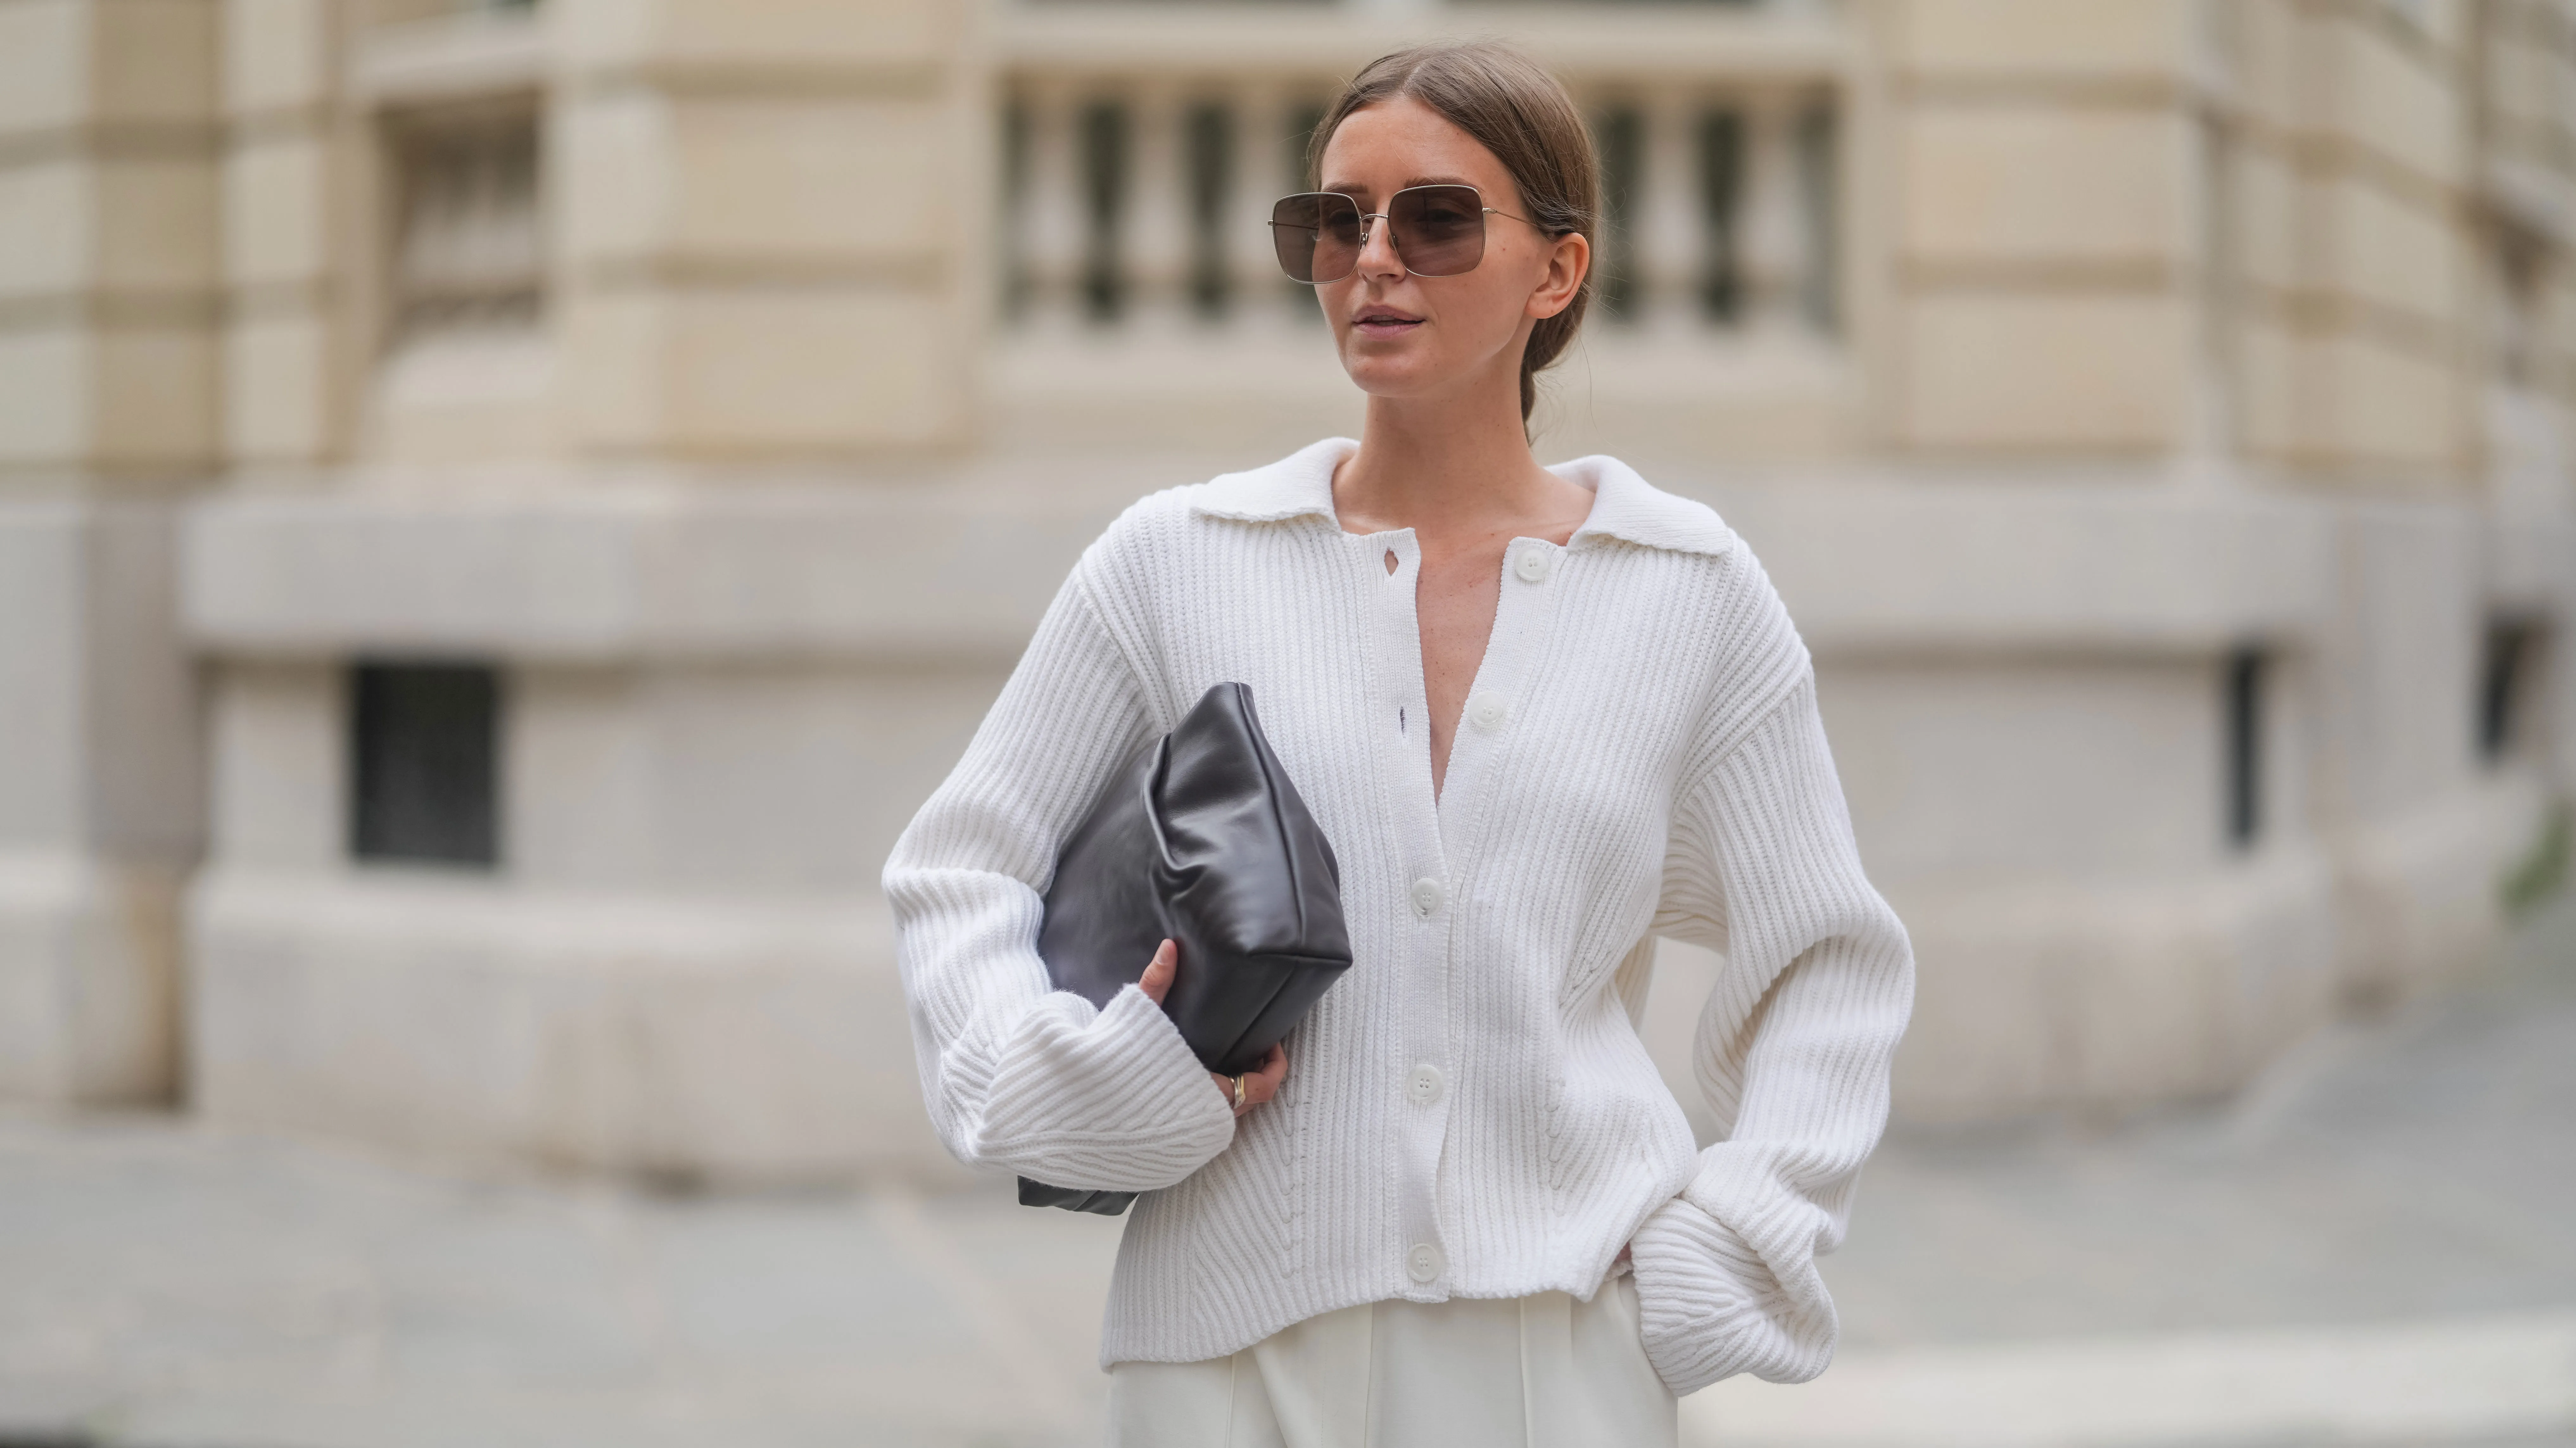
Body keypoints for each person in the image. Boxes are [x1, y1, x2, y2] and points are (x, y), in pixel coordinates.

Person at [883, 40, 1914, 1446]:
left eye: (1433, 219)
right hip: (1223, 1358)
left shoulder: (1686, 591)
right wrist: (1080, 1085)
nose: (1373, 258)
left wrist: (1734, 1240)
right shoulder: (1177, 562)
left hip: (1561, 1358)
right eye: (1331, 221)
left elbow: (1825, 958)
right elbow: (960, 870)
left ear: (1555, 272)